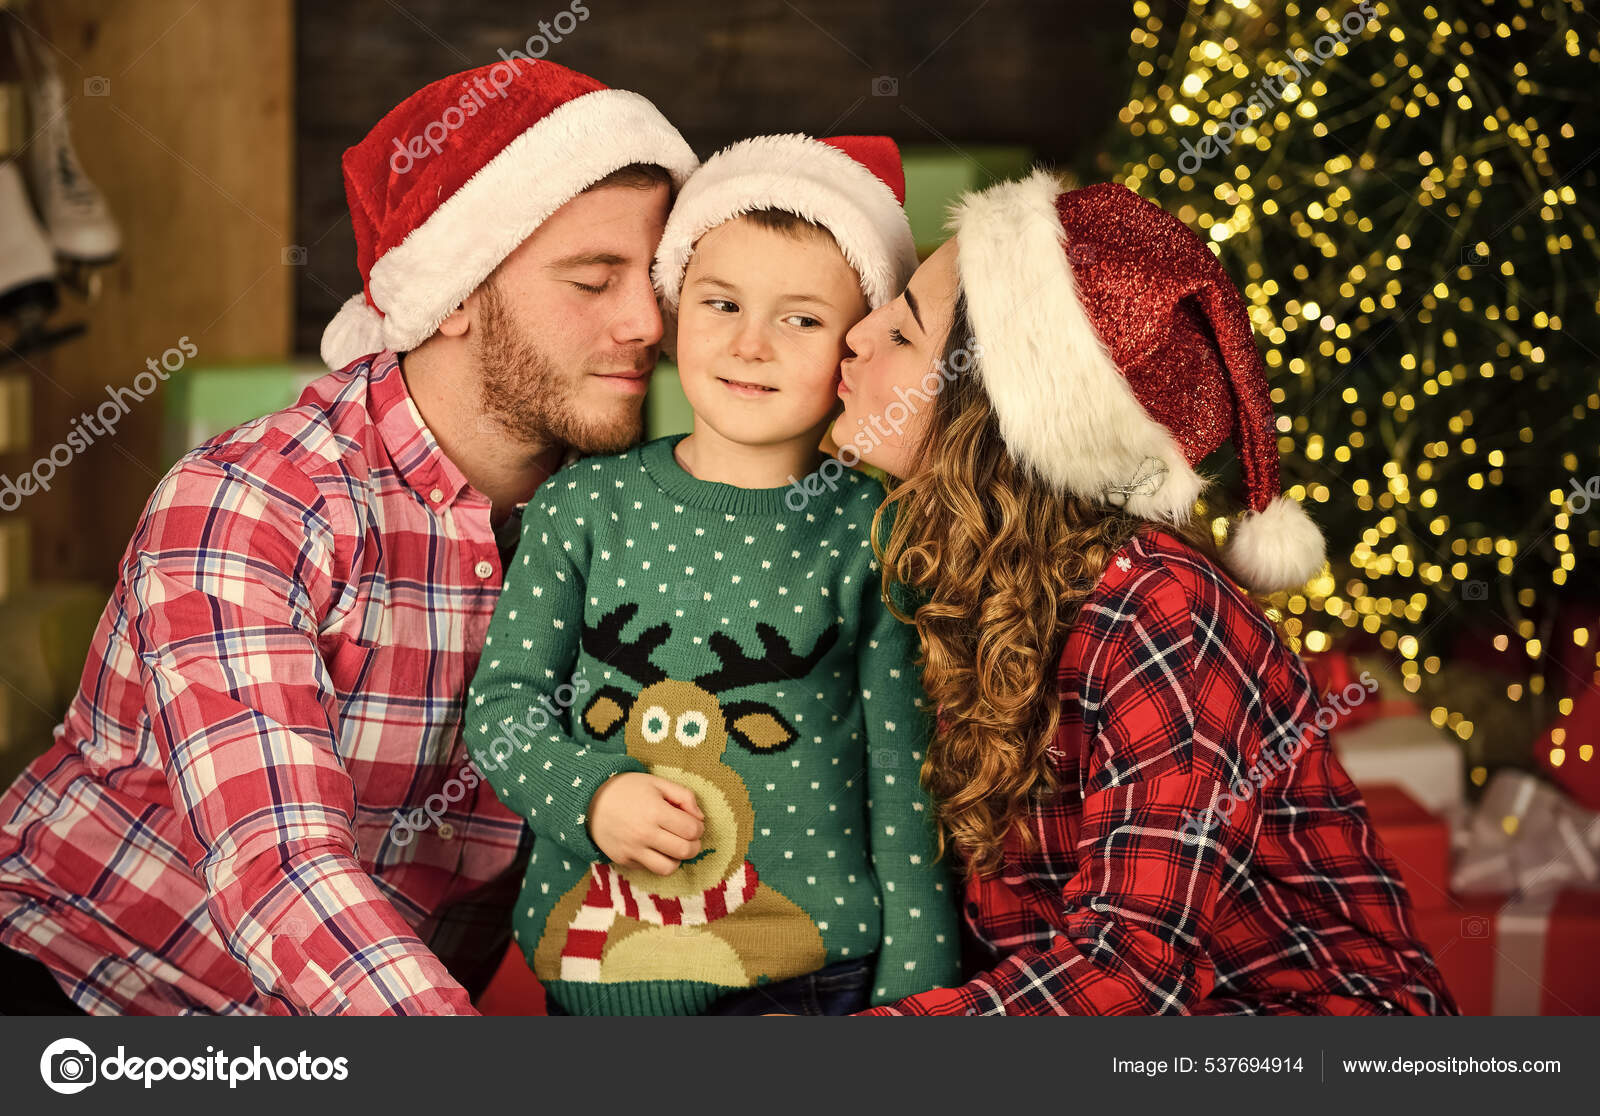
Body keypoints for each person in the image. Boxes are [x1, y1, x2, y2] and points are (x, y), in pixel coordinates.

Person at [0, 59, 697, 1015]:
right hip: (77, 986)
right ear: (451, 293)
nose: (647, 322)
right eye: (593, 279)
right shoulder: (254, 503)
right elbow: (282, 869)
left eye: (655, 279)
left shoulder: (633, 528)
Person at [832, 171, 1459, 1015]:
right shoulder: (974, 577)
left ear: (994, 419)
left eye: (902, 333)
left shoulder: (1164, 608)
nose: (857, 334)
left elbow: (1129, 974)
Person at [466, 134, 961, 1015]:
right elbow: (503, 709)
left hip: (802, 979)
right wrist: (592, 794)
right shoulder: (582, 504)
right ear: (674, 308)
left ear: (855, 344)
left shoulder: (876, 532)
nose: (750, 345)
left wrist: (917, 991)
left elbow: (900, 769)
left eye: (800, 319)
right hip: (595, 966)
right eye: (721, 304)